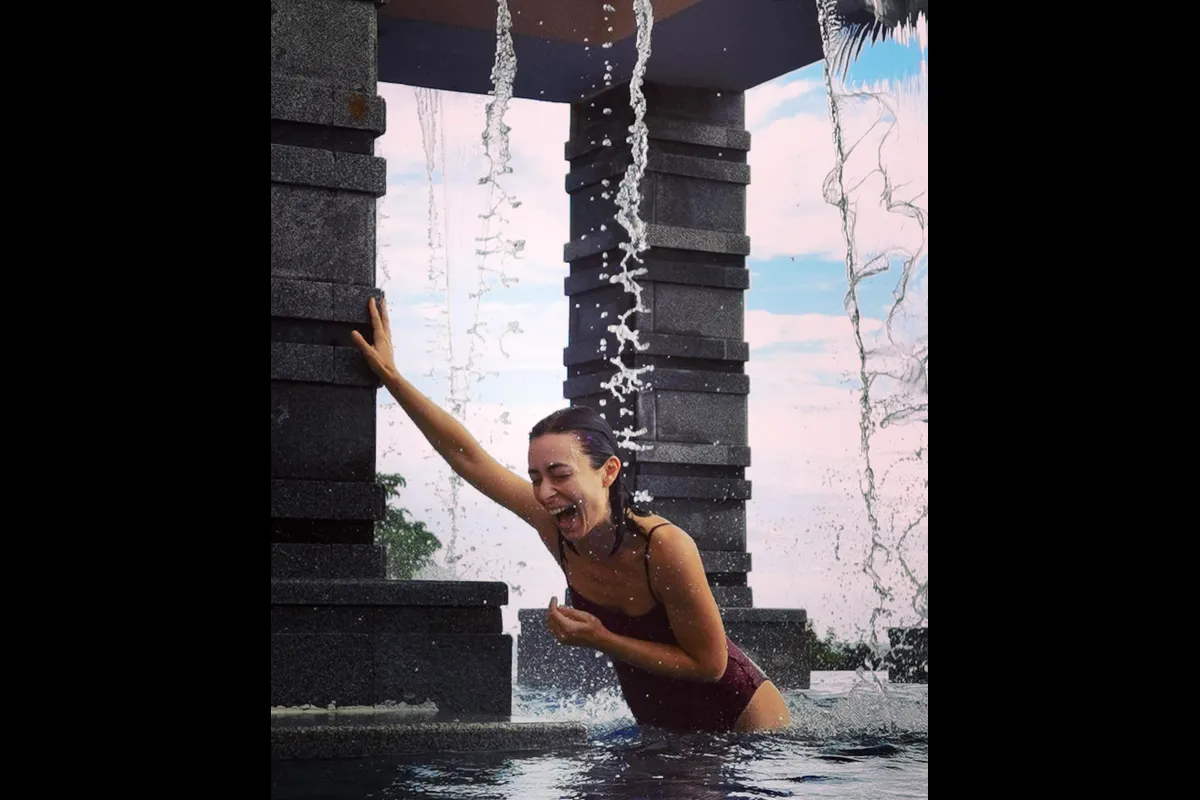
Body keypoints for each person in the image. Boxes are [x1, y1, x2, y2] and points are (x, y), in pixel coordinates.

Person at [352, 297, 790, 733]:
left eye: (560, 474)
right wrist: (392, 378)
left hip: (749, 729)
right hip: (665, 732)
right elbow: (466, 456)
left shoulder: (664, 547)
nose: (545, 492)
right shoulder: (553, 524)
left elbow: (710, 665)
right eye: (535, 477)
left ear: (608, 472)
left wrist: (603, 639)